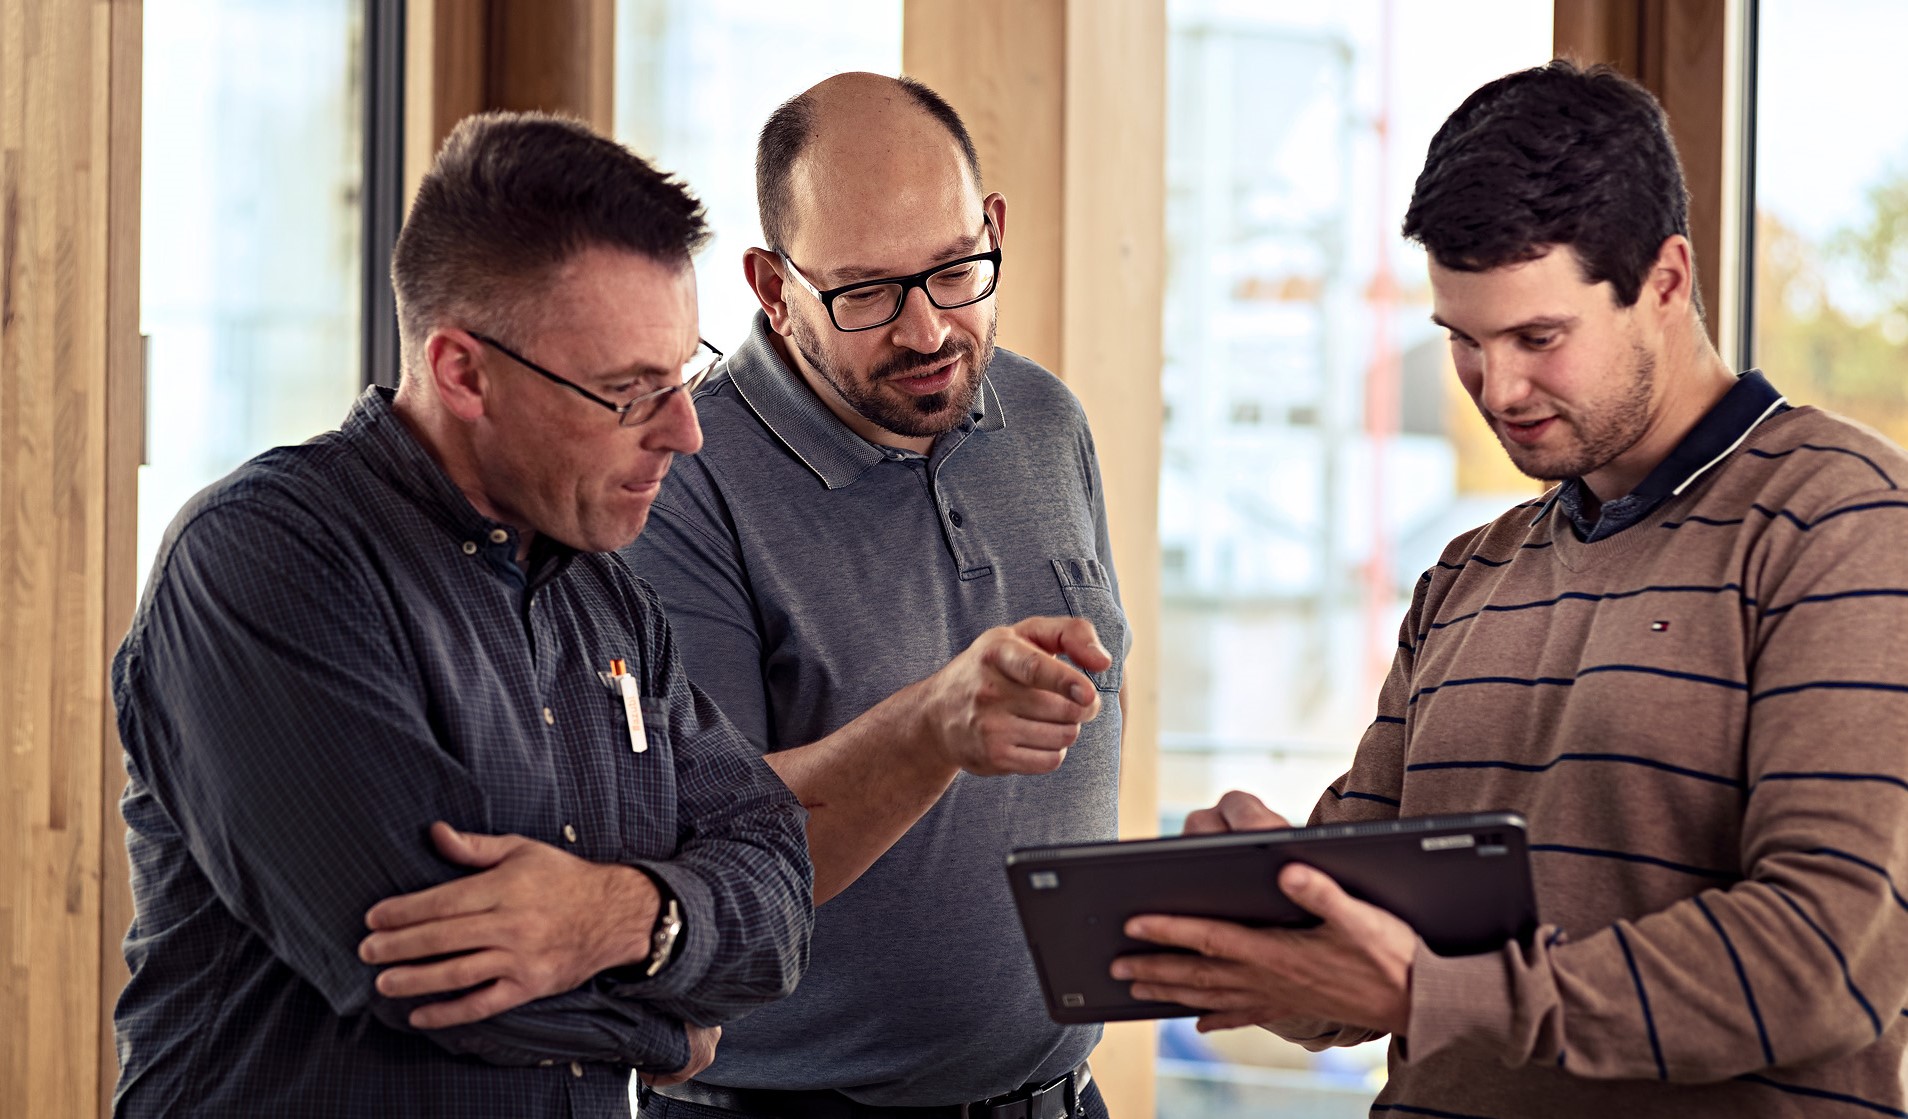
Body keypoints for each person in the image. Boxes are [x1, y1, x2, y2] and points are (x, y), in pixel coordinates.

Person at [1114, 59, 1908, 1117]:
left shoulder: (1845, 522)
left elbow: (1825, 961)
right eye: (1463, 342)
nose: (1499, 389)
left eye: (1539, 338)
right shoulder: (1468, 572)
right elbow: (1364, 989)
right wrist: (1274, 915)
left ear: (1666, 281)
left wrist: (1432, 990)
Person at [110, 111, 813, 1118]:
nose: (687, 432)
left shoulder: (611, 603)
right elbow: (424, 966)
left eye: (683, 376)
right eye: (628, 393)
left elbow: (777, 885)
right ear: (463, 372)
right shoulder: (264, 561)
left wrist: (629, 917)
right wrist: (673, 1027)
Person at [624, 73, 1126, 1118]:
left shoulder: (1044, 419)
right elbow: (700, 873)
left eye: (956, 270)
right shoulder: (683, 483)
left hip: (1061, 1097)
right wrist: (932, 728)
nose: (928, 330)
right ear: (771, 289)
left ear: (991, 225)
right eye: (865, 294)